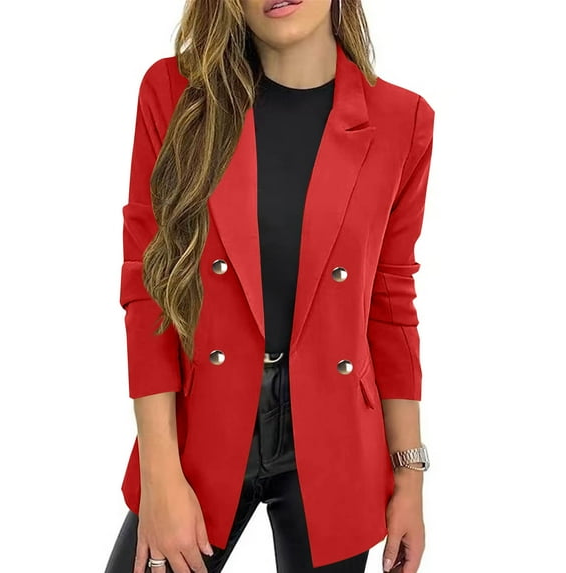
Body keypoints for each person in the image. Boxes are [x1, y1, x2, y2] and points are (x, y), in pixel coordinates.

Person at [104, 1, 434, 572]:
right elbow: (149, 289)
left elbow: (390, 304)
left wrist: (410, 478)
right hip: (202, 426)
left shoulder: (403, 120)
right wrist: (160, 475)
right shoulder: (177, 94)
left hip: (336, 440)